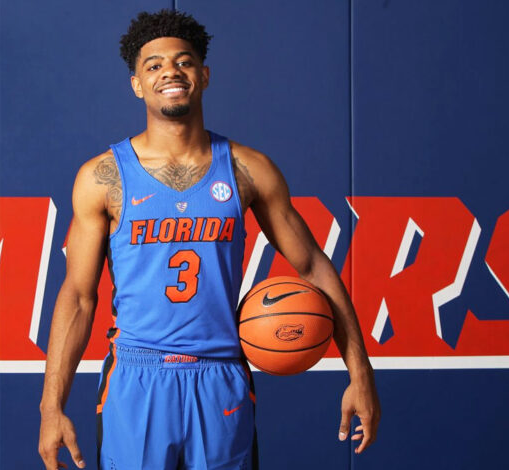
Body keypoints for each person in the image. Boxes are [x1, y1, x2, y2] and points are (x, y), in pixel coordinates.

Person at [38, 9, 380, 470]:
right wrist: (51, 407)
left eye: (183, 61)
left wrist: (361, 372)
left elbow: (314, 267)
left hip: (220, 375)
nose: (170, 72)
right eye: (154, 65)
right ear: (137, 84)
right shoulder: (102, 177)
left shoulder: (248, 169)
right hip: (137, 376)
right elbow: (79, 297)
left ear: (204, 75)